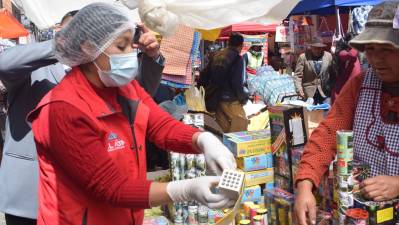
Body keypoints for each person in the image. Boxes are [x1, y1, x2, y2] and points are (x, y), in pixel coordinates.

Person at [27, 3, 237, 225]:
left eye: (131, 45)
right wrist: (185, 189)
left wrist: (202, 140)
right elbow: (111, 187)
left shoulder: (126, 88)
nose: (131, 54)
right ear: (89, 48)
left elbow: (161, 126)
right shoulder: (62, 109)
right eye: (121, 46)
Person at [0, 9, 165, 225]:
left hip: (84, 201)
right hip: (29, 197)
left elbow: (143, 94)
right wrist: (60, 46)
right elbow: (4, 63)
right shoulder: (33, 71)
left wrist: (152, 57)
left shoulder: (102, 75)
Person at [294, 1, 399, 225]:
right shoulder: (360, 85)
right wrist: (305, 183)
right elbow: (328, 133)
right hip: (363, 213)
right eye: (370, 49)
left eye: (387, 50)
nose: (376, 59)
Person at [199, 32, 249, 132]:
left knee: (224, 130)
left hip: (216, 100)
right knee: (241, 128)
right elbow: (237, 83)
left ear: (228, 43)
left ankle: (225, 147)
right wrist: (243, 98)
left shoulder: (217, 55)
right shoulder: (238, 59)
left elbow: (204, 75)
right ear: (241, 45)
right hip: (231, 100)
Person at [294, 37, 335, 104]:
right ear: (311, 47)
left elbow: (332, 73)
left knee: (327, 112)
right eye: (315, 48)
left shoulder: (328, 56)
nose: (317, 50)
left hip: (325, 92)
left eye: (319, 48)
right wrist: (299, 90)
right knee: (312, 113)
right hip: (309, 93)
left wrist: (333, 87)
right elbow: (298, 76)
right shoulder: (303, 57)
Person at [331, 33, 362, 104]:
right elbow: (352, 55)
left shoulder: (353, 53)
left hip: (353, 88)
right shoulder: (342, 53)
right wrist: (356, 45)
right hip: (342, 90)